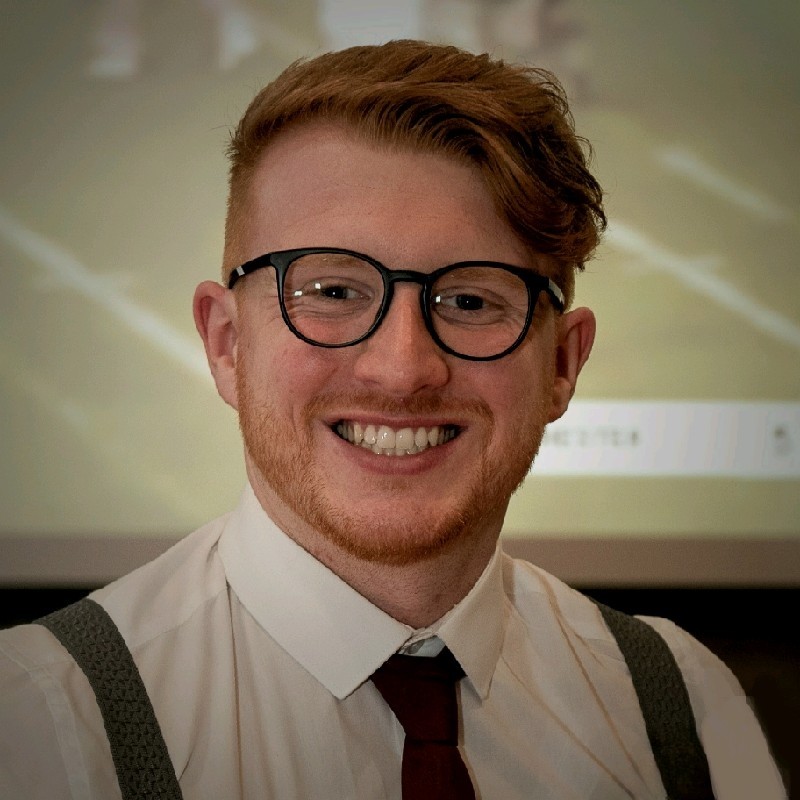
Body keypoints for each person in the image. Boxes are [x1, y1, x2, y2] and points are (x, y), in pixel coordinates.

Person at [0, 40, 785, 799]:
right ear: (227, 343)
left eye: (472, 300)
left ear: (561, 364)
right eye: (334, 292)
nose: (402, 368)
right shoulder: (37, 720)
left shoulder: (682, 710)